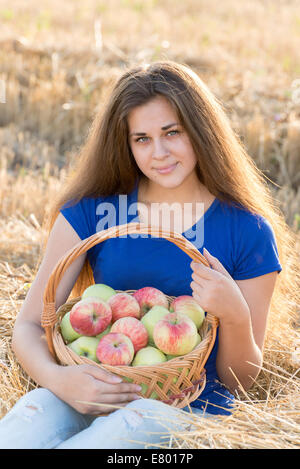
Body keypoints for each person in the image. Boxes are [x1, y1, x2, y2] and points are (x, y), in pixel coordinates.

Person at [0, 60, 294, 449]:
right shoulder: (91, 212)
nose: (159, 152)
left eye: (172, 133)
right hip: (91, 388)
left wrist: (236, 315)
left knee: (109, 440)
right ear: (126, 144)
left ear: (200, 131)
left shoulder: (246, 230)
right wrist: (59, 380)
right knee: (26, 422)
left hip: (181, 408)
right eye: (142, 139)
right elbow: (29, 326)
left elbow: (239, 380)